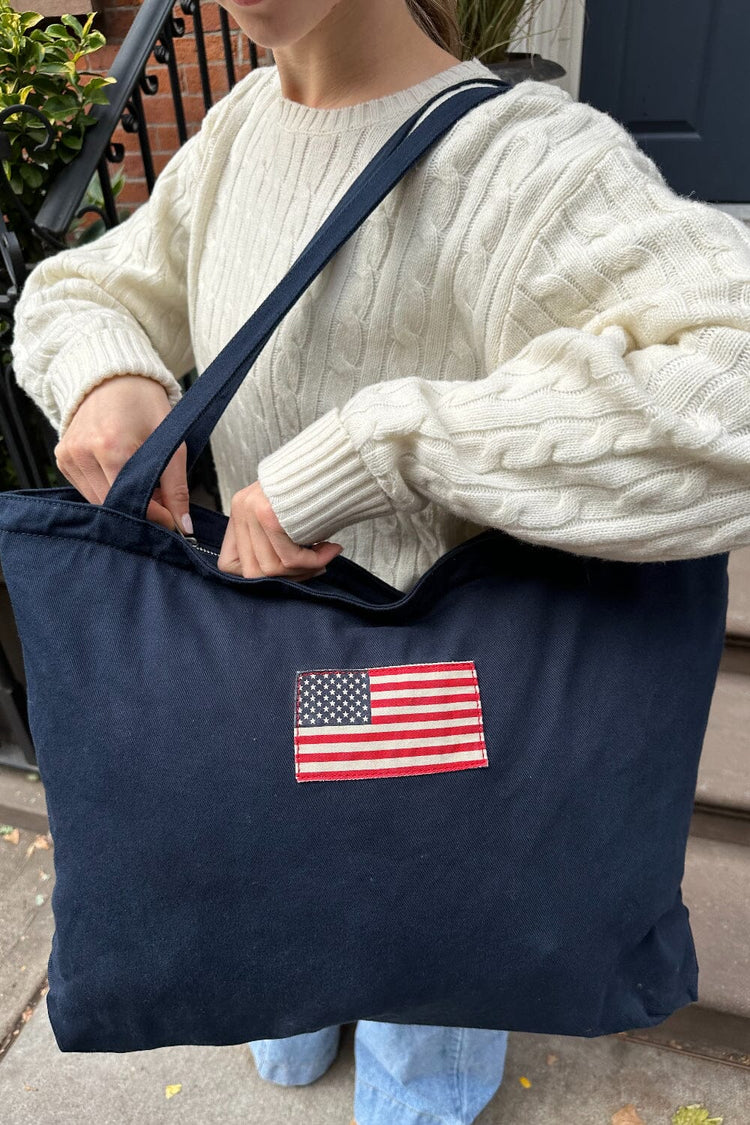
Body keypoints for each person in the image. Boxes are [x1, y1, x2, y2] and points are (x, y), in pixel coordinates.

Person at [10, 0, 750, 1121]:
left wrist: (378, 446)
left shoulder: (527, 161)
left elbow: (728, 385)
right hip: (262, 670)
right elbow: (87, 286)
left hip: (454, 714)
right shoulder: (239, 129)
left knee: (430, 975)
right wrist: (111, 369)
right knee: (277, 916)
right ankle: (297, 1020)